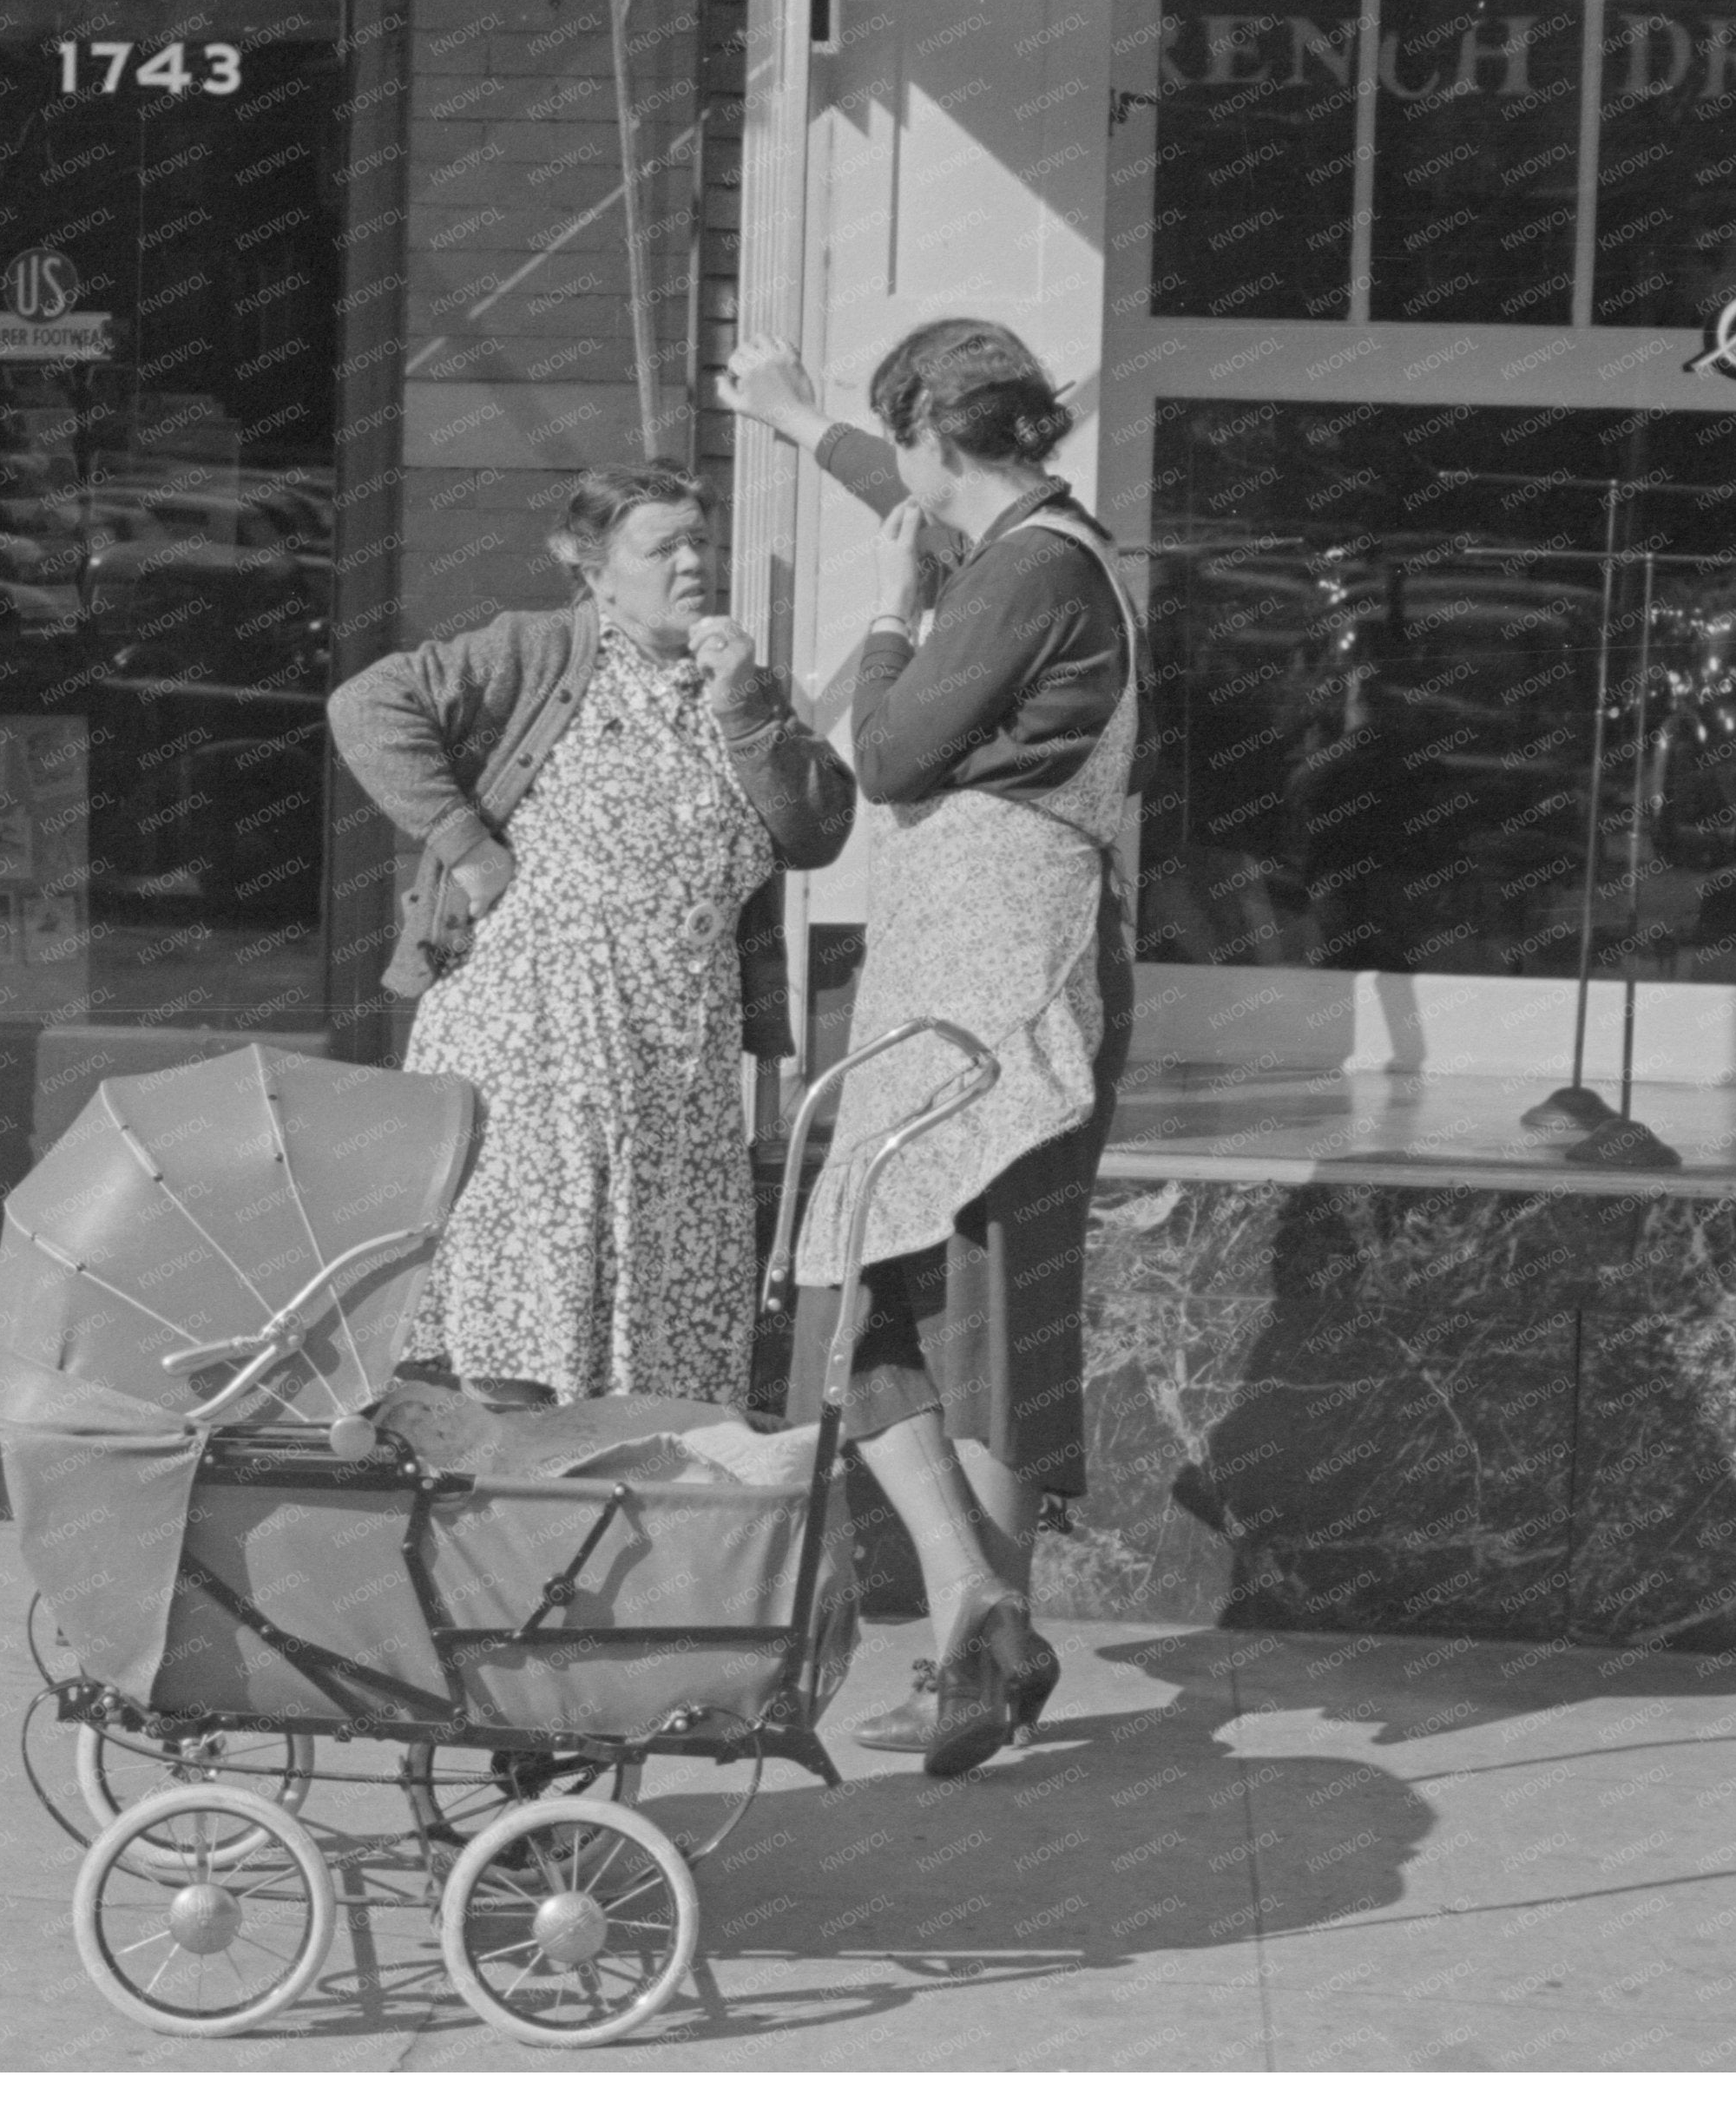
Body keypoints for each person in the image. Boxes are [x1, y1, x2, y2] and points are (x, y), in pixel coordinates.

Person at [720, 325, 1141, 1777]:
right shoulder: (1028, 545)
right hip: (964, 974)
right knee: (919, 1299)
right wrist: (795, 420)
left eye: (902, 446)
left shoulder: (1023, 572)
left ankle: (975, 1631)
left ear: (943, 447)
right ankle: (981, 1631)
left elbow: (889, 752)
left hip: (1005, 984)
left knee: (946, 1304)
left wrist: (891, 610)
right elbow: (903, 498)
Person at [328, 463, 852, 1408]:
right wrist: (468, 848)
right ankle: (506, 1515)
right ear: (596, 569)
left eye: (702, 542)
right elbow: (366, 705)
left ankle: (630, 1514)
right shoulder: (536, 651)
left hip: (675, 1067)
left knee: (667, 1315)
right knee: (522, 1299)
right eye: (664, 547)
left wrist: (742, 704)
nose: (693, 563)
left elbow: (817, 829)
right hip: (535, 1046)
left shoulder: (735, 679)